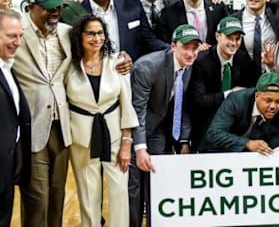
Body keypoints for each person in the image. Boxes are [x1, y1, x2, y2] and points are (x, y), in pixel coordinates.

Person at [65, 14, 138, 227]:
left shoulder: (117, 63)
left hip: (114, 138)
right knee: (88, 195)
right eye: (90, 33)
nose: (96, 38)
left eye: (100, 33)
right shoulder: (69, 66)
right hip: (82, 140)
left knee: (119, 192)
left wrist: (127, 143)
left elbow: (127, 105)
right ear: (79, 36)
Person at [128, 24, 201, 227]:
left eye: (195, 48)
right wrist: (140, 148)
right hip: (134, 129)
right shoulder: (148, 67)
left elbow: (180, 103)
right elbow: (137, 111)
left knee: (157, 182)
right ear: (173, 46)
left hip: (159, 128)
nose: (191, 53)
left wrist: (184, 141)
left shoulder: (188, 66)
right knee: (135, 187)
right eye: (186, 47)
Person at [13, 0, 73, 227]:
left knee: (58, 196)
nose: (55, 12)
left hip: (63, 126)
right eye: (48, 9)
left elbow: (97, 55)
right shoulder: (15, 32)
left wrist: (121, 60)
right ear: (31, 8)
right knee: (37, 197)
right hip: (31, 125)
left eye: (58, 7)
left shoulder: (68, 32)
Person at [186, 17, 261, 152]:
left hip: (234, 129)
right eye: (229, 38)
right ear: (217, 36)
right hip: (205, 127)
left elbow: (253, 90)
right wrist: (230, 94)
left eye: (237, 38)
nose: (234, 43)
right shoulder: (201, 62)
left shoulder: (243, 59)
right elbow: (199, 101)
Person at [203, 72, 279, 153]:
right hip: (219, 153)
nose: (273, 106)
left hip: (255, 158)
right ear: (256, 96)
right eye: (268, 101)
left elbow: (277, 144)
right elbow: (214, 133)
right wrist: (247, 143)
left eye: (278, 101)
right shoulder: (237, 100)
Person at [0, 9, 30, 227]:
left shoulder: (9, 68)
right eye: (12, 36)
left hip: (7, 168)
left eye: (20, 36)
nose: (18, 42)